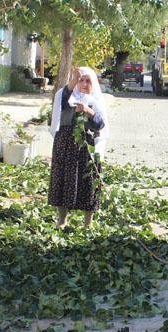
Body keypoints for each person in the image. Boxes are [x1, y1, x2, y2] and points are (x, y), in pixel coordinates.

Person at [48, 67, 109, 228]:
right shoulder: (67, 97)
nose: (84, 84)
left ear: (93, 84)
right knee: (63, 179)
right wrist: (73, 79)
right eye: (81, 80)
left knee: (88, 182)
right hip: (66, 145)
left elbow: (101, 124)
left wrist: (88, 111)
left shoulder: (95, 102)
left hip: (87, 147)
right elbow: (64, 96)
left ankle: (87, 223)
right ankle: (62, 220)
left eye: (88, 81)